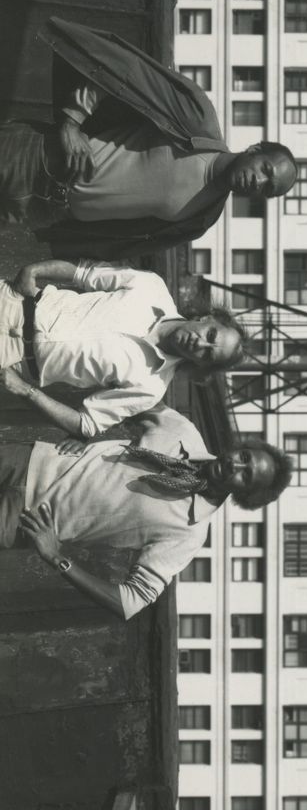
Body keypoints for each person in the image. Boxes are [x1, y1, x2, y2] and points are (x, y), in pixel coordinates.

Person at [0, 16, 297, 258]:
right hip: (34, 158)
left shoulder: (202, 218)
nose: (258, 182)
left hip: (40, 210)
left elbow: (124, 239)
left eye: (267, 189)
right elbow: (120, 73)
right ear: (255, 149)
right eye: (265, 170)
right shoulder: (196, 117)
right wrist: (71, 122)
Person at [2, 404, 292, 618]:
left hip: (23, 518)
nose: (235, 466)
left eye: (246, 475)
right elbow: (129, 396)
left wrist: (57, 559)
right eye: (244, 457)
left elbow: (130, 601)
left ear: (245, 494)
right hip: (28, 459)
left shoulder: (188, 534)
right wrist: (86, 428)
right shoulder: (182, 431)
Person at [0, 258, 247, 438]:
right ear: (208, 318)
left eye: (207, 352)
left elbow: (86, 423)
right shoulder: (151, 287)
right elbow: (83, 273)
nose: (199, 343)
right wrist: (34, 270)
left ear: (202, 365)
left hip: (12, 360)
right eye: (211, 334)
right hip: (15, 303)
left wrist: (26, 392)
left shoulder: (152, 388)